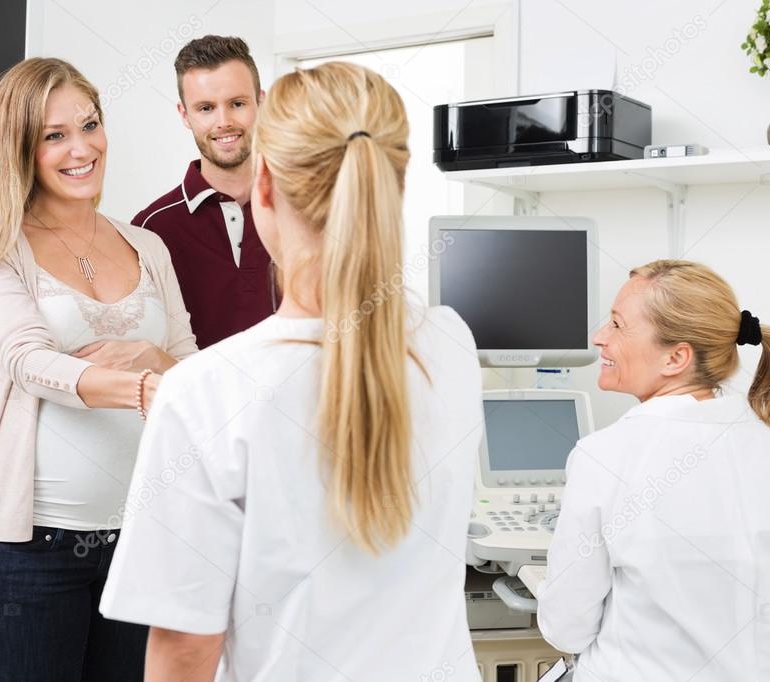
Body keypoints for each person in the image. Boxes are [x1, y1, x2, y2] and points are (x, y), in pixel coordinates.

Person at [100, 62, 484, 681]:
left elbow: (183, 654)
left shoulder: (205, 393)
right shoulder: (451, 345)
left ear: (265, 187)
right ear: (397, 185)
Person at [0, 57, 197, 681]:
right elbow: (27, 360)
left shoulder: (147, 245)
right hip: (34, 552)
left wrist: (156, 362)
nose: (82, 148)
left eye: (90, 124)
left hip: (142, 538)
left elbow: (188, 358)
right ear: (21, 147)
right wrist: (143, 389)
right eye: (55, 135)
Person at [537, 260, 770, 682]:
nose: (599, 338)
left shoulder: (605, 456)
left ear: (676, 357)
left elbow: (567, 627)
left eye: (616, 325)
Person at [132, 35, 274, 348]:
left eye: (237, 104)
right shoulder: (150, 229)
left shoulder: (304, 207)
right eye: (206, 108)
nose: (224, 122)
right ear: (185, 115)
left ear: (260, 102)